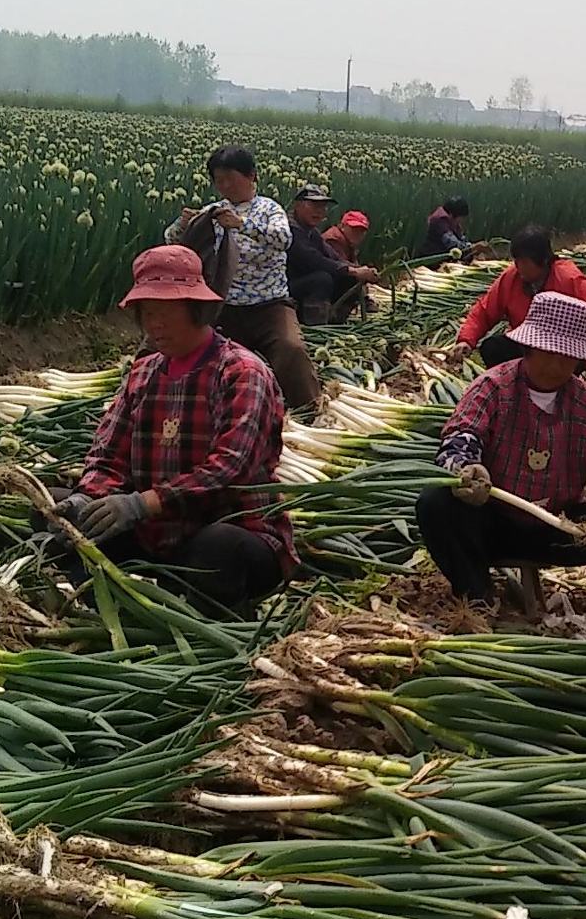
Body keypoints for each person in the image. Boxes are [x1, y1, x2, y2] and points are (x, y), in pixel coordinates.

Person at [58, 245, 295, 610]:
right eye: (148, 313)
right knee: (59, 515)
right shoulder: (144, 372)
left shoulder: (241, 372)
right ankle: (92, 611)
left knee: (215, 547)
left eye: (168, 312)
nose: (156, 325)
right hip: (158, 534)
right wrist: (86, 497)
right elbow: (109, 454)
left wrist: (145, 502)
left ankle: (216, 627)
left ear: (197, 309)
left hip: (233, 532)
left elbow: (230, 469)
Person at [416, 292, 586, 631]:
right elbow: (458, 441)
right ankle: (477, 602)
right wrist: (466, 470)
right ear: (529, 346)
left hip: (561, 529)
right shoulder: (492, 388)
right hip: (493, 523)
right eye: (551, 352)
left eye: (569, 356)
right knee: (435, 502)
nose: (559, 364)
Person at [163, 145, 321, 415]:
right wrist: (182, 223)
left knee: (291, 350)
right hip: (224, 305)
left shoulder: (269, 209)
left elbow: (283, 239)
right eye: (219, 180)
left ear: (252, 177)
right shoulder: (214, 211)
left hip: (270, 305)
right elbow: (171, 240)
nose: (224, 186)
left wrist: (241, 224)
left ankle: (310, 412)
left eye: (230, 178)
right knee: (189, 351)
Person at [455, 225, 586, 366]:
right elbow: (484, 311)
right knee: (492, 348)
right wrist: (466, 340)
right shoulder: (511, 279)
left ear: (543, 260)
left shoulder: (567, 278)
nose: (518, 266)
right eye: (516, 260)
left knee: (557, 365)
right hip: (531, 347)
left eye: (524, 261)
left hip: (567, 348)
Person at [284, 184, 381, 326]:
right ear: (298, 205)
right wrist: (353, 270)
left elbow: (332, 256)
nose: (319, 211)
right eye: (313, 205)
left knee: (349, 278)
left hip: (304, 283)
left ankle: (336, 321)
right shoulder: (289, 229)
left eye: (323, 207)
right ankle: (313, 325)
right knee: (322, 279)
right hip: (285, 288)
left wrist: (360, 271)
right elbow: (313, 260)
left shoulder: (312, 231)